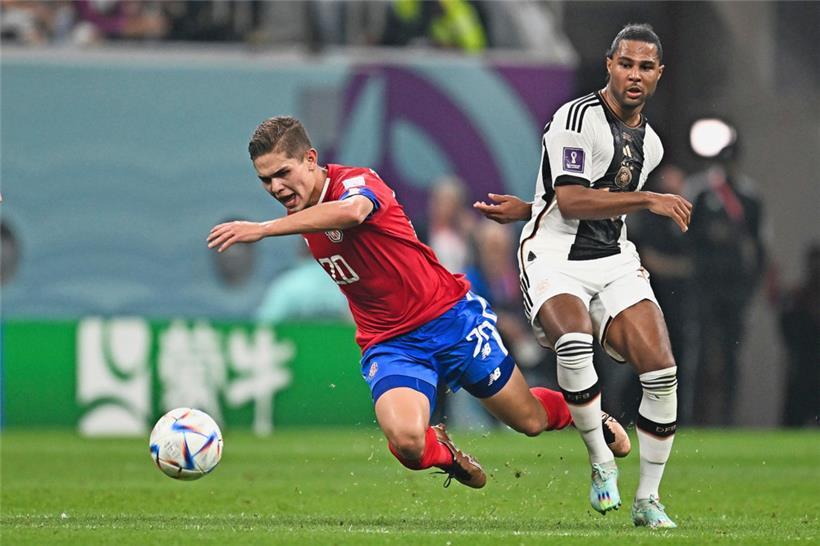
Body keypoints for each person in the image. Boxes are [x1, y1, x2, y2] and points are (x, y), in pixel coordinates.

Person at [207, 116, 629, 491]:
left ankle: (588, 414)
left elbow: (353, 213)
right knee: (409, 444)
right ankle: (445, 452)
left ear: (311, 159)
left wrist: (263, 229)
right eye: (265, 180)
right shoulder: (302, 213)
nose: (276, 188)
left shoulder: (356, 183)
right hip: (390, 342)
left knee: (531, 422)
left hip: (450, 319)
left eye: (282, 173)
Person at [474, 24, 687, 528]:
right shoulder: (575, 118)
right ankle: (600, 460)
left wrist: (531, 205)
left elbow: (586, 205)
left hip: (612, 258)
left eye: (645, 67)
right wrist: (648, 199)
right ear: (609, 65)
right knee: (573, 339)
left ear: (659, 74)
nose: (634, 75)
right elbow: (570, 199)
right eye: (626, 64)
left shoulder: (650, 145)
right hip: (553, 255)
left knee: (661, 371)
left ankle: (648, 500)